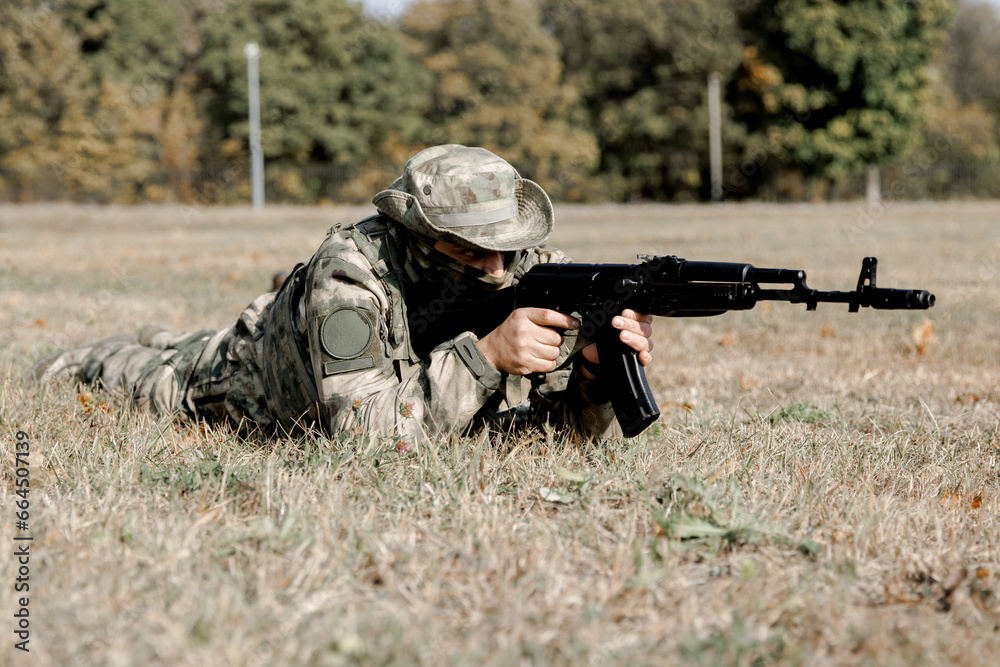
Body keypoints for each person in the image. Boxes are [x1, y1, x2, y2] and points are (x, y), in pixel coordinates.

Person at [32, 145, 654, 441]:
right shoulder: (351, 271)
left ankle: (166, 338)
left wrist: (595, 375)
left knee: (174, 343)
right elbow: (359, 437)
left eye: (506, 245)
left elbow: (562, 439)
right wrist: (487, 357)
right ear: (417, 236)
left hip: (358, 371)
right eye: (470, 247)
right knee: (149, 373)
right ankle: (86, 355)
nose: (496, 267)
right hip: (251, 380)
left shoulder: (531, 270)